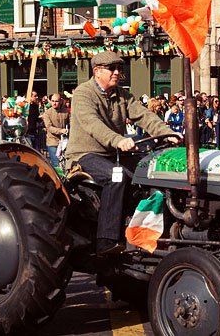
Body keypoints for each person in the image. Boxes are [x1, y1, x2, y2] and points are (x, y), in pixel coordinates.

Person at [65, 51, 177, 256]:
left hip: (113, 154)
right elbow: (92, 124)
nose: (117, 72)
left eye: (119, 69)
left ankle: (144, 230)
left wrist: (168, 133)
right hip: (85, 155)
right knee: (115, 177)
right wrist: (118, 140)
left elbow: (144, 116)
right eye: (112, 69)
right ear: (97, 71)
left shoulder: (122, 95)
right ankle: (105, 242)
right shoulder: (83, 94)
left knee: (149, 170)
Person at [42, 93, 70, 168]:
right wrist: (61, 131)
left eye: (56, 101)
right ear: (50, 101)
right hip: (53, 142)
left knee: (66, 164)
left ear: (60, 101)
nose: (54, 103)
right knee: (56, 164)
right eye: (52, 101)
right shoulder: (47, 113)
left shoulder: (66, 112)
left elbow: (71, 123)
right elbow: (49, 127)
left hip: (64, 142)